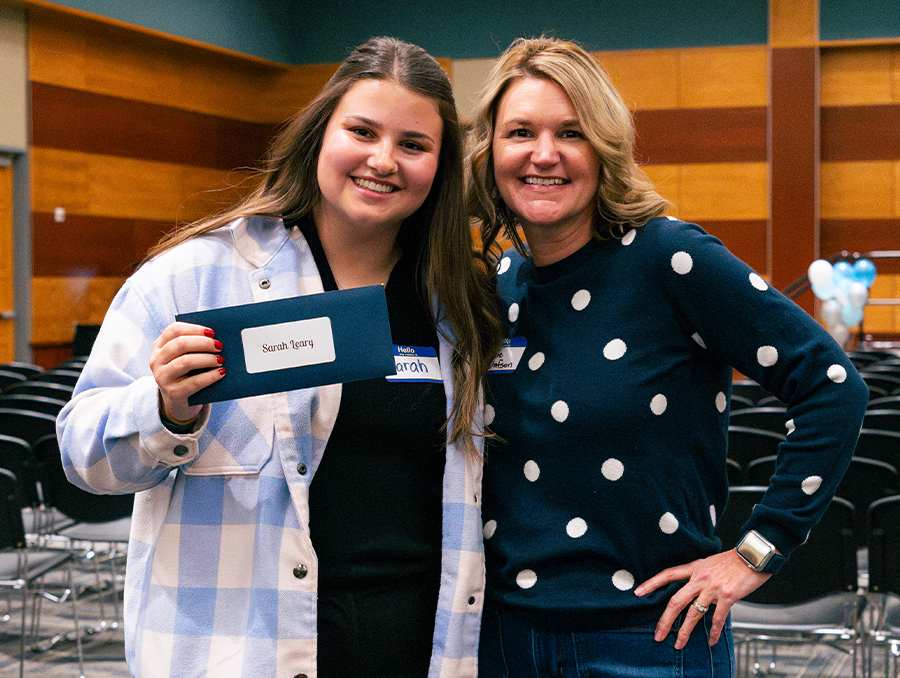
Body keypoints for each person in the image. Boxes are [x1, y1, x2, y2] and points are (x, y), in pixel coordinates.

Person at [57, 36, 501, 678]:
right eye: (362, 131)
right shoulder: (193, 279)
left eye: (413, 145)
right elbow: (82, 457)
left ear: (441, 164)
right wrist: (165, 410)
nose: (384, 160)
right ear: (321, 134)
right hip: (246, 650)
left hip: (418, 645)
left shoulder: (462, 303)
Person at [467, 37, 868, 677]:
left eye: (571, 132)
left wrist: (756, 552)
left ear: (604, 149)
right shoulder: (502, 285)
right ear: (491, 152)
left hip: (649, 639)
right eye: (521, 132)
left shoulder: (669, 259)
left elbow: (832, 385)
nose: (544, 154)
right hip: (507, 637)